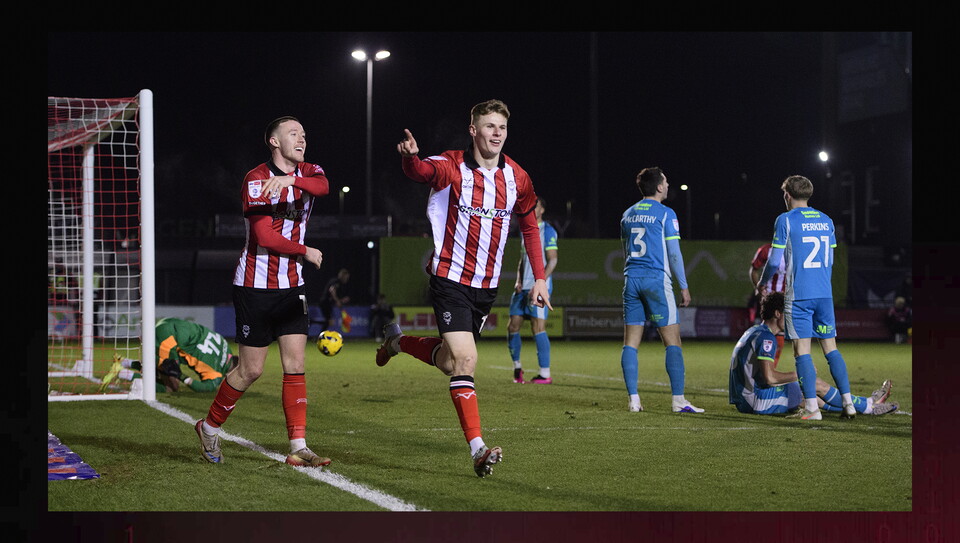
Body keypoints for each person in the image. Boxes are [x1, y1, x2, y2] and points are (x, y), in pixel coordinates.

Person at [377, 99, 552, 478]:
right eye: (489, 126)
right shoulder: (452, 165)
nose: (496, 134)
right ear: (473, 130)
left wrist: (539, 276)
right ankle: (478, 449)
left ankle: (397, 342)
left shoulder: (517, 177)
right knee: (467, 361)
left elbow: (530, 227)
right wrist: (410, 158)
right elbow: (422, 171)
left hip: (485, 288)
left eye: (501, 128)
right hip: (450, 278)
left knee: (449, 361)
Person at [194, 115, 331, 466]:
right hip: (255, 286)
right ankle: (209, 427)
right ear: (273, 141)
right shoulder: (255, 179)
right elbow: (264, 237)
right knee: (251, 370)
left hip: (292, 287)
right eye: (292, 133)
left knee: (295, 363)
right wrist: (305, 251)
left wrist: (289, 181)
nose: (301, 138)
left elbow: (323, 187)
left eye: (303, 133)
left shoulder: (309, 171)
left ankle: (299, 446)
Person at [757, 174, 854, 421]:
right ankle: (849, 404)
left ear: (787, 195)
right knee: (831, 349)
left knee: (802, 351)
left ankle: (812, 408)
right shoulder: (826, 220)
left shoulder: (785, 220)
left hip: (799, 295)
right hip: (824, 293)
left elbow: (774, 260)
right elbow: (830, 260)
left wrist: (762, 282)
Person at [729, 291, 898, 416]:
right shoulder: (767, 338)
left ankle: (864, 405)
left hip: (745, 399)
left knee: (808, 394)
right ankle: (868, 405)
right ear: (777, 313)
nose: (791, 319)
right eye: (788, 315)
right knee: (812, 383)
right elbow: (770, 378)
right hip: (754, 401)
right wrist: (799, 374)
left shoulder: (754, 331)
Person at [619, 167, 703, 414]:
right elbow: (674, 253)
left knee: (631, 344)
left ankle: (634, 400)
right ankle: (678, 401)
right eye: (665, 182)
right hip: (656, 280)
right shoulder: (666, 214)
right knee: (672, 341)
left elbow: (625, 251)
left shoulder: (627, 214)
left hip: (631, 279)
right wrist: (684, 286)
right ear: (658, 187)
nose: (668, 185)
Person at [101, 318, 239, 393]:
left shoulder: (226, 346)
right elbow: (205, 388)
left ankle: (124, 362)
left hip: (169, 324)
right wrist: (181, 375)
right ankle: (122, 372)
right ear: (233, 371)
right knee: (172, 386)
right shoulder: (215, 374)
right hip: (170, 340)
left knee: (160, 368)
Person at [507, 197, 558, 384]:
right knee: (513, 326)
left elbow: (552, 260)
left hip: (539, 287)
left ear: (542, 209)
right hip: (522, 288)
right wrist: (518, 280)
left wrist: (540, 281)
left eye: (535, 206)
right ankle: (517, 368)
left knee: (538, 327)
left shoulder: (548, 231)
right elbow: (522, 260)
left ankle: (545, 373)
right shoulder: (525, 231)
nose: (531, 209)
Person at [748, 241, 786, 367]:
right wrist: (758, 288)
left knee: (781, 332)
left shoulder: (794, 249)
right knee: (767, 331)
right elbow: (754, 270)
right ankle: (759, 368)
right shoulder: (766, 250)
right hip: (768, 298)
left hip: (785, 299)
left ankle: (769, 370)